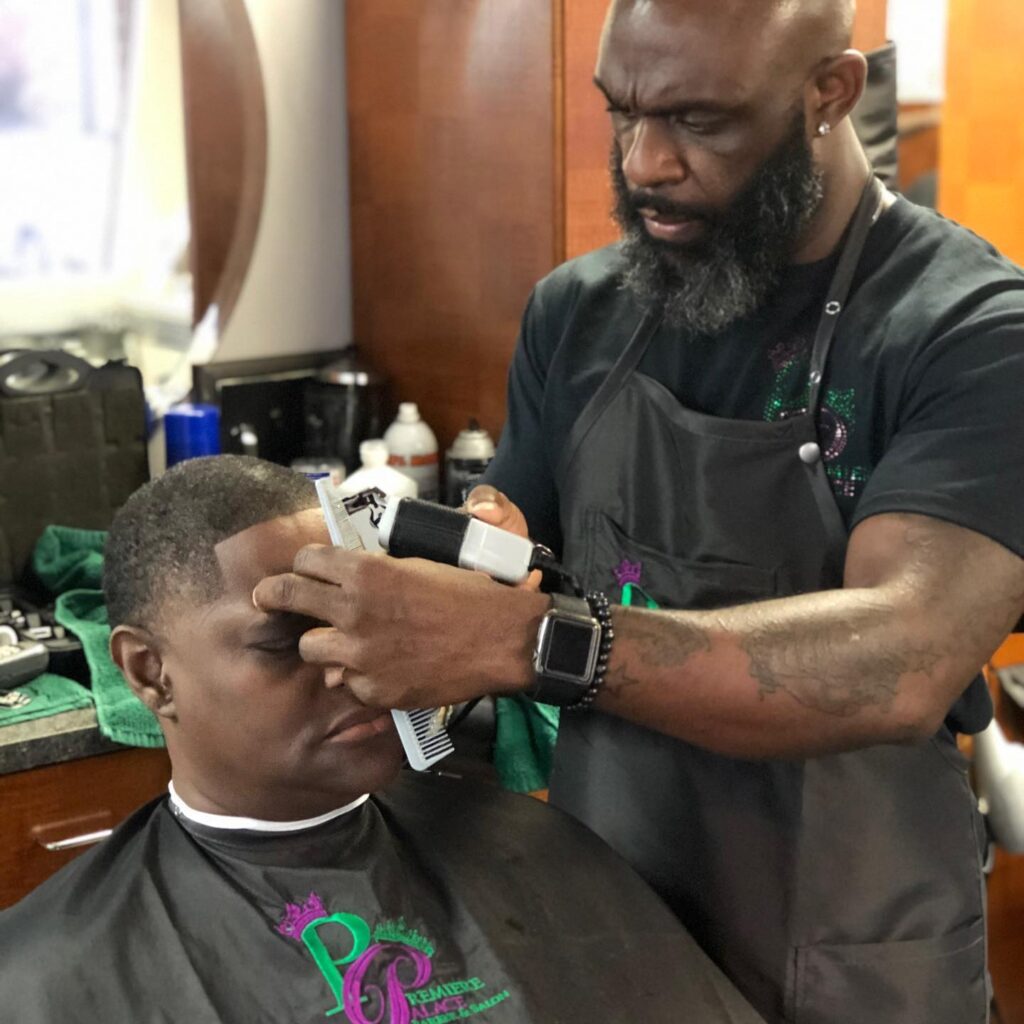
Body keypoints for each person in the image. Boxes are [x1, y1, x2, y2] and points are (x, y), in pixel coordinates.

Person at [250, 2, 1024, 1023]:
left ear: (830, 93)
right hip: (612, 916)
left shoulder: (971, 333)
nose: (645, 162)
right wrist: (462, 567)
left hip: (854, 948)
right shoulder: (578, 314)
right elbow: (518, 553)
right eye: (622, 111)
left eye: (700, 120)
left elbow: (904, 656)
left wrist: (535, 641)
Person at [0, 456, 765, 1024]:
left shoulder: (537, 848)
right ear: (150, 672)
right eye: (289, 643)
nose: (357, 666)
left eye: (364, 625)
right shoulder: (45, 979)